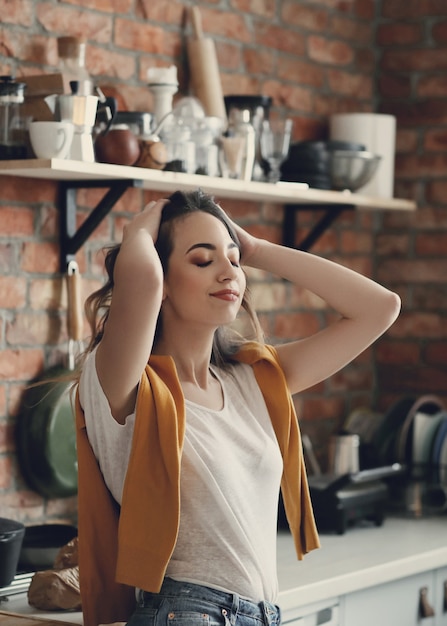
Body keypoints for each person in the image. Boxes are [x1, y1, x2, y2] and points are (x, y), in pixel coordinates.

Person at [74, 189, 400, 626]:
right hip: (186, 612)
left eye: (233, 260)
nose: (229, 271)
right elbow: (143, 283)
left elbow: (380, 308)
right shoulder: (123, 383)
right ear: (162, 282)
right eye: (203, 260)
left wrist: (256, 248)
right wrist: (138, 234)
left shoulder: (254, 378)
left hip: (262, 613)